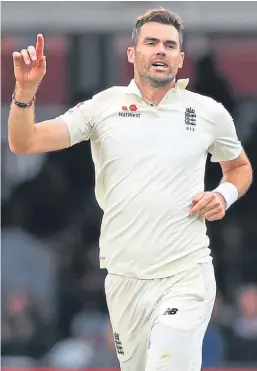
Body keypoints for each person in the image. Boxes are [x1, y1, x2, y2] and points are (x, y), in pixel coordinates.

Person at [8, 7, 252, 371]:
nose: (160, 51)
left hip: (185, 273)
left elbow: (239, 168)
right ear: (131, 53)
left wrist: (223, 194)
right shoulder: (103, 107)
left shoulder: (207, 112)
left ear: (181, 58)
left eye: (169, 45)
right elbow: (25, 142)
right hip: (124, 278)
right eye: (151, 42)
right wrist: (25, 93)